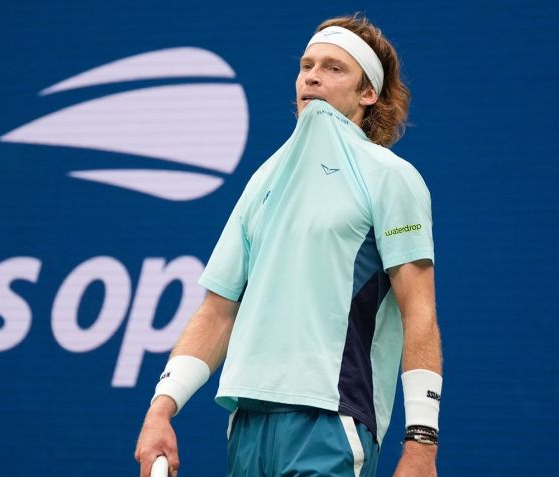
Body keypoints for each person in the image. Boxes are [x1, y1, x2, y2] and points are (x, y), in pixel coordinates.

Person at [135, 13, 443, 477]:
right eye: (306, 65)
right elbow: (217, 311)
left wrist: (422, 444)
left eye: (334, 68)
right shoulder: (262, 180)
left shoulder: (392, 178)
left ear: (368, 94)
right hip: (248, 425)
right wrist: (161, 410)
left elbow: (420, 312)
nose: (313, 76)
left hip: (333, 420)